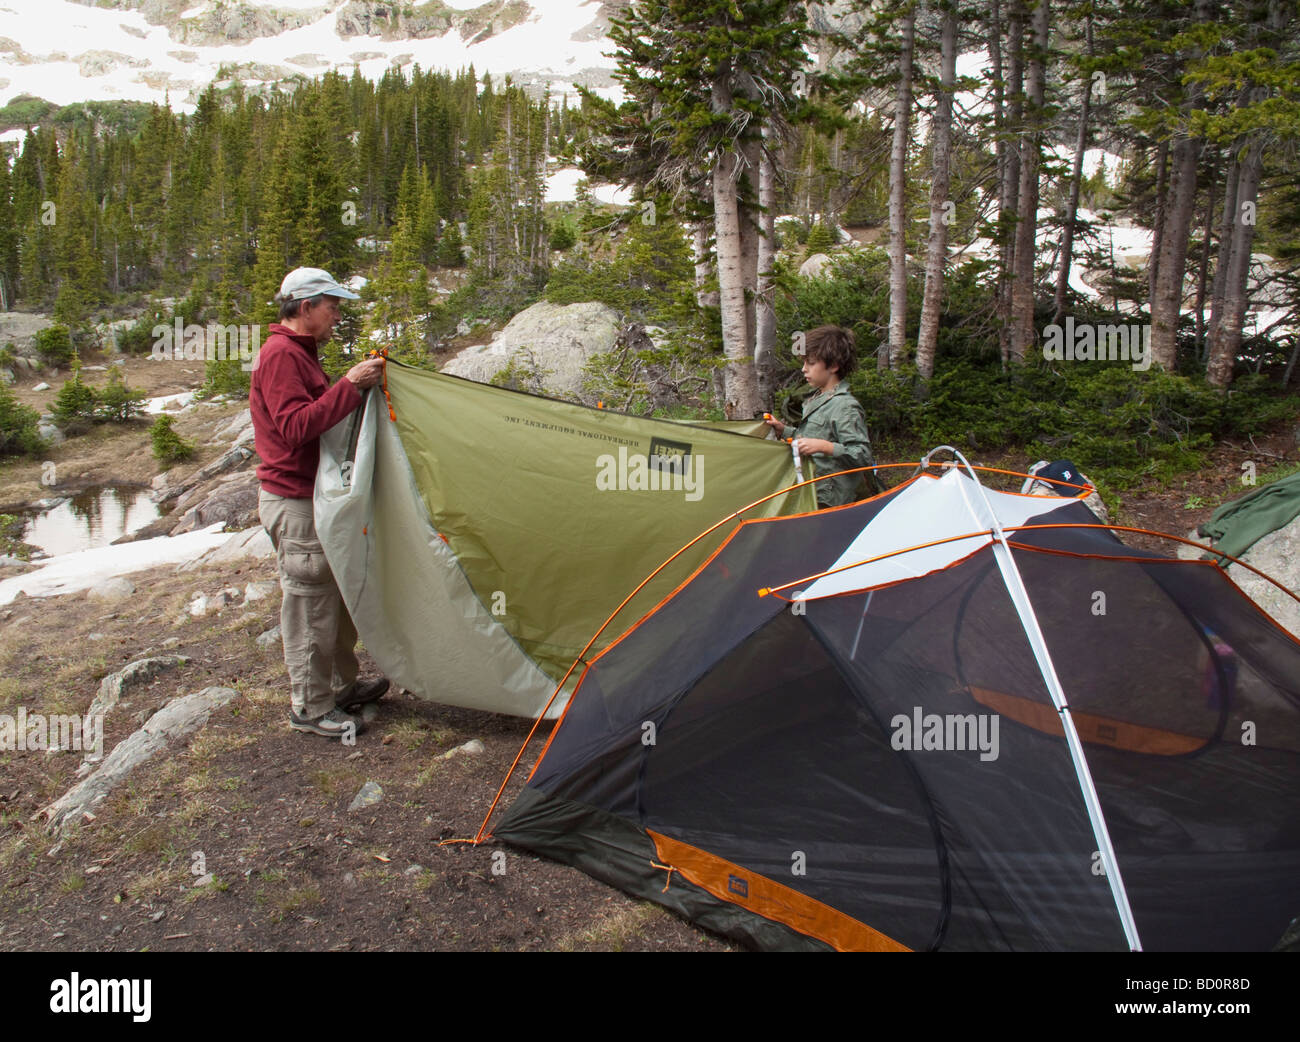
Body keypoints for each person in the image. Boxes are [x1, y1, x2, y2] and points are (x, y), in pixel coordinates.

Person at [251, 267, 388, 739]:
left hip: (312, 497)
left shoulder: (299, 353)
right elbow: (294, 427)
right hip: (294, 503)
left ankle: (339, 687)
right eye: (332, 306)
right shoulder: (280, 356)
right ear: (305, 307)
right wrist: (349, 386)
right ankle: (310, 708)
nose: (337, 316)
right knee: (310, 603)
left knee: (334, 597)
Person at [764, 325, 878, 508]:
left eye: (811, 363)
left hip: (835, 501)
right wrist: (783, 430)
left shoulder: (844, 406)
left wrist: (826, 447)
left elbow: (862, 455)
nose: (803, 369)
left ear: (833, 366)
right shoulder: (817, 398)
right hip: (814, 492)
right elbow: (816, 434)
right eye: (804, 363)